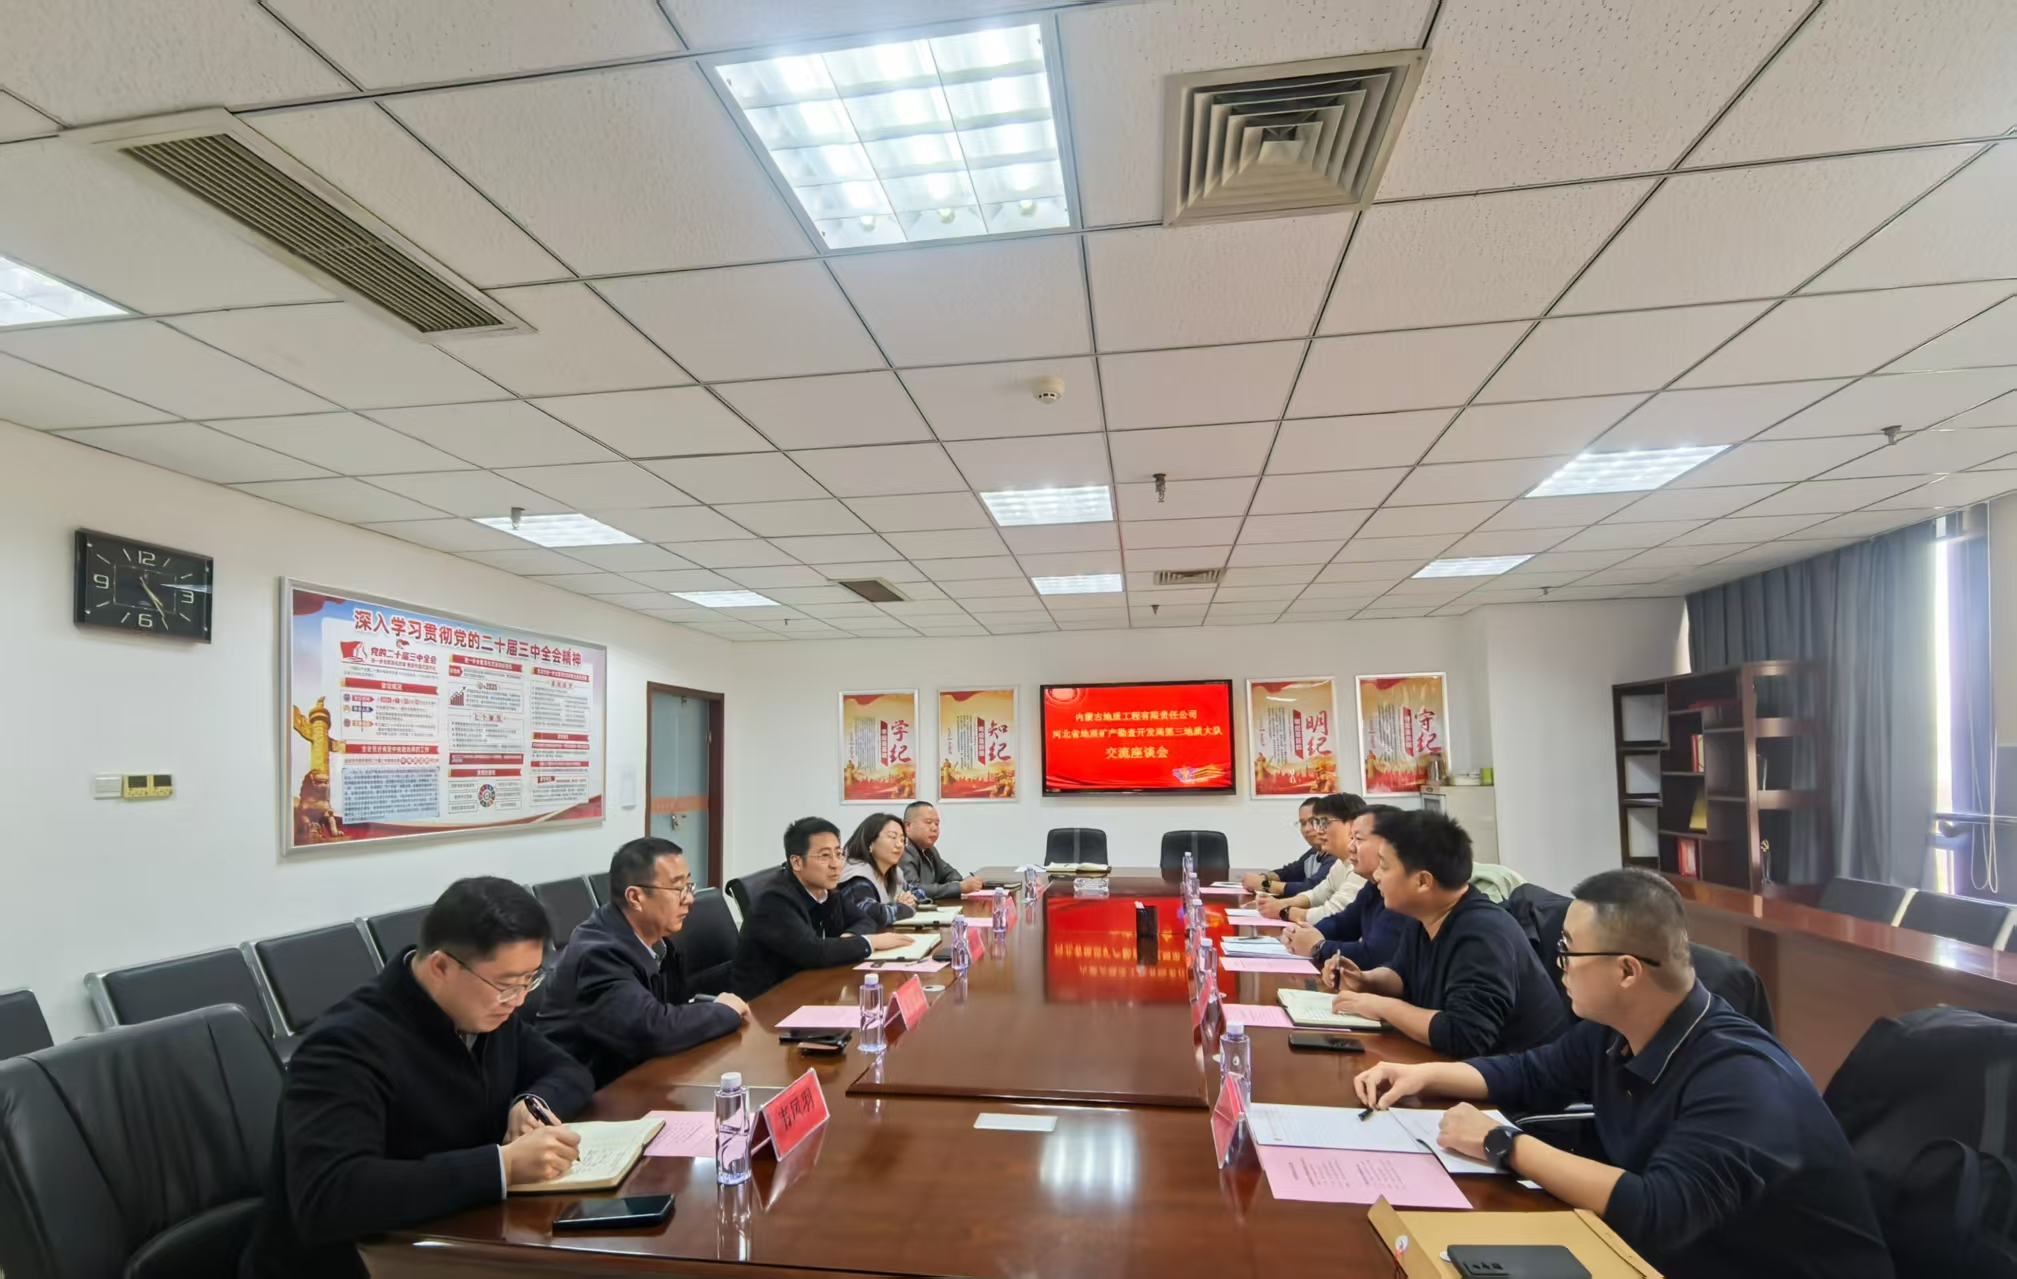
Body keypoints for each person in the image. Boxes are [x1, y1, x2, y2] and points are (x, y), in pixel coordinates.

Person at [1354, 869, 1893, 1279]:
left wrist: (1503, 1142)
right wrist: (1422, 1076)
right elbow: (1531, 1072)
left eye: (1568, 951)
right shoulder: (1615, 1029)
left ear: (1628, 971)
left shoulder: (1741, 1079)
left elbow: (1659, 1210)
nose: (1559, 965)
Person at [240, 877, 594, 1279]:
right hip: (357, 1263)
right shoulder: (345, 1045)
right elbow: (330, 1196)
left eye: (529, 980)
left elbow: (568, 1070)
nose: (519, 999)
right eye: (507, 984)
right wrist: (502, 1166)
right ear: (441, 966)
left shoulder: (486, 1012)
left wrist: (530, 1104)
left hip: (458, 1238)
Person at [1326, 808, 1570, 1057]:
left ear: (1423, 882)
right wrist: (1366, 980)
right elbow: (1402, 974)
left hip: (1519, 1073)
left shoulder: (1482, 934)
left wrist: (1381, 1007)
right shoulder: (1425, 916)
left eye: (1385, 867)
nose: (1377, 875)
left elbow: (1464, 1035)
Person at [536, 837, 751, 1088]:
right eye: (677, 889)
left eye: (688, 886)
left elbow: (671, 1010)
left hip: (639, 1078)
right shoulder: (599, 954)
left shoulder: (660, 943)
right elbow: (652, 1030)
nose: (689, 899)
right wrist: (723, 1011)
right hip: (585, 1094)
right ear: (635, 897)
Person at [730, 817, 912, 998]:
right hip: (765, 1000)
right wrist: (870, 943)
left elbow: (864, 919)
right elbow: (813, 952)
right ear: (796, 862)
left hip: (810, 986)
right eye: (824, 856)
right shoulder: (774, 900)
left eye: (838, 854)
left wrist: (849, 940)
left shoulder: (827, 891)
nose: (835, 864)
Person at [1281, 803, 1407, 967]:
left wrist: (1319, 947)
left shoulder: (1403, 893)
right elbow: (1344, 923)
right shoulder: (1372, 885)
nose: (1350, 847)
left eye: (1358, 839)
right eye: (1351, 838)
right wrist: (1303, 934)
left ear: (1389, 845)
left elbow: (1375, 955)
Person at [1256, 792, 1367, 921]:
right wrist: (1280, 904)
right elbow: (1317, 894)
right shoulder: (1339, 862)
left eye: (1324, 823)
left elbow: (1333, 913)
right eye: (1317, 823)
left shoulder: (1364, 865)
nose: (1318, 831)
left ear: (1353, 825)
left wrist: (1284, 911)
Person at [837, 812, 919, 927]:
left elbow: (917, 893)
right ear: (870, 842)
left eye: (902, 839)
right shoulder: (857, 876)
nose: (899, 845)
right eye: (892, 837)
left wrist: (910, 899)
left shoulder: (892, 872)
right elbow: (873, 915)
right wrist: (904, 907)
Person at [1240, 797, 1334, 896]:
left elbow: (1311, 889)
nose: (1306, 829)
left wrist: (1264, 884)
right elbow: (1288, 873)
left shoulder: (1336, 856)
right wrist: (1263, 878)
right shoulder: (1315, 852)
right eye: (1303, 823)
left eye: (1313, 822)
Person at [896, 801, 983, 900]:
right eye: (928, 822)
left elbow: (950, 874)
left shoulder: (930, 850)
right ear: (907, 826)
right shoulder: (902, 851)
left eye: (937, 824)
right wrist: (959, 887)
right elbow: (913, 890)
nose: (934, 828)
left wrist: (961, 885)